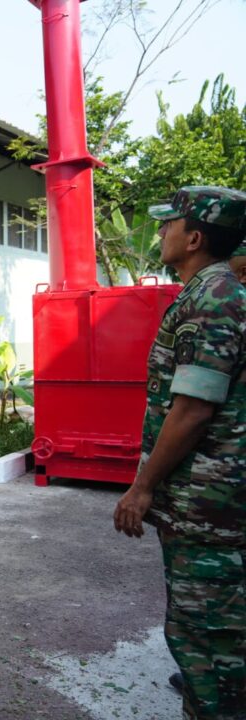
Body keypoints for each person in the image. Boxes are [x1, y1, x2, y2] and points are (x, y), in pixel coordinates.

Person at [112, 186, 246, 720]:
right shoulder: (216, 292)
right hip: (207, 496)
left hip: (207, 501)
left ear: (194, 238)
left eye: (171, 225)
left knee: (205, 630)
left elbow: (193, 409)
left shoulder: (213, 299)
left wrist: (142, 487)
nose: (161, 233)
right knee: (213, 624)